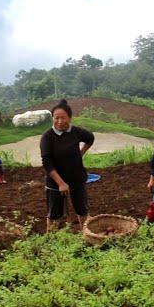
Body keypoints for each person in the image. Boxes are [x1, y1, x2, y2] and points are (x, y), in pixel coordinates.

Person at [40, 99, 95, 233]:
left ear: (69, 118)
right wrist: (61, 183)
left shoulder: (76, 132)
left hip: (77, 178)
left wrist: (80, 154)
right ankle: (52, 240)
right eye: (56, 118)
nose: (59, 121)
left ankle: (87, 237)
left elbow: (90, 138)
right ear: (52, 118)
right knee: (54, 214)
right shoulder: (47, 137)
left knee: (82, 211)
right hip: (55, 182)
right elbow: (47, 163)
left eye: (63, 118)